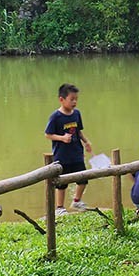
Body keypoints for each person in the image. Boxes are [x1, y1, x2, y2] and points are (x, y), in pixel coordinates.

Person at [45, 83, 93, 216]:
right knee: (61, 183)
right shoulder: (56, 117)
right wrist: (61, 138)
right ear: (62, 99)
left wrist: (86, 142)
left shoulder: (76, 114)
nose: (74, 102)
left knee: (83, 178)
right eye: (71, 99)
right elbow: (48, 134)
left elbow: (79, 131)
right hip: (62, 155)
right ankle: (60, 207)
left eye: (76, 99)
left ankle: (76, 201)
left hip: (77, 153)